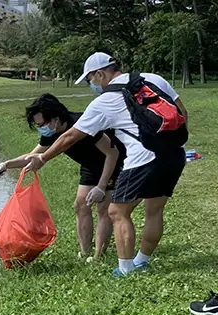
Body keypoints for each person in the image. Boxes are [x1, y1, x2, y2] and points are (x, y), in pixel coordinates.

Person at [25, 52, 188, 277]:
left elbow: (69, 137)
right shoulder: (152, 78)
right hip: (174, 154)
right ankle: (141, 262)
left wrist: (42, 158)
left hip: (143, 158)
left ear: (101, 73)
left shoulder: (104, 101)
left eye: (91, 79)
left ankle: (125, 269)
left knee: (117, 211)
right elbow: (182, 113)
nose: (92, 84)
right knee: (154, 210)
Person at [0, 94, 124, 261]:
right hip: (90, 165)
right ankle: (85, 254)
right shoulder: (51, 132)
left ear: (55, 118)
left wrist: (102, 186)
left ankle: (98, 258)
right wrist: (6, 164)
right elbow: (34, 156)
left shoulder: (84, 123)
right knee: (80, 205)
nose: (41, 128)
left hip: (112, 162)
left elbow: (113, 153)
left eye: (42, 124)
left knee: (103, 208)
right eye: (38, 125)